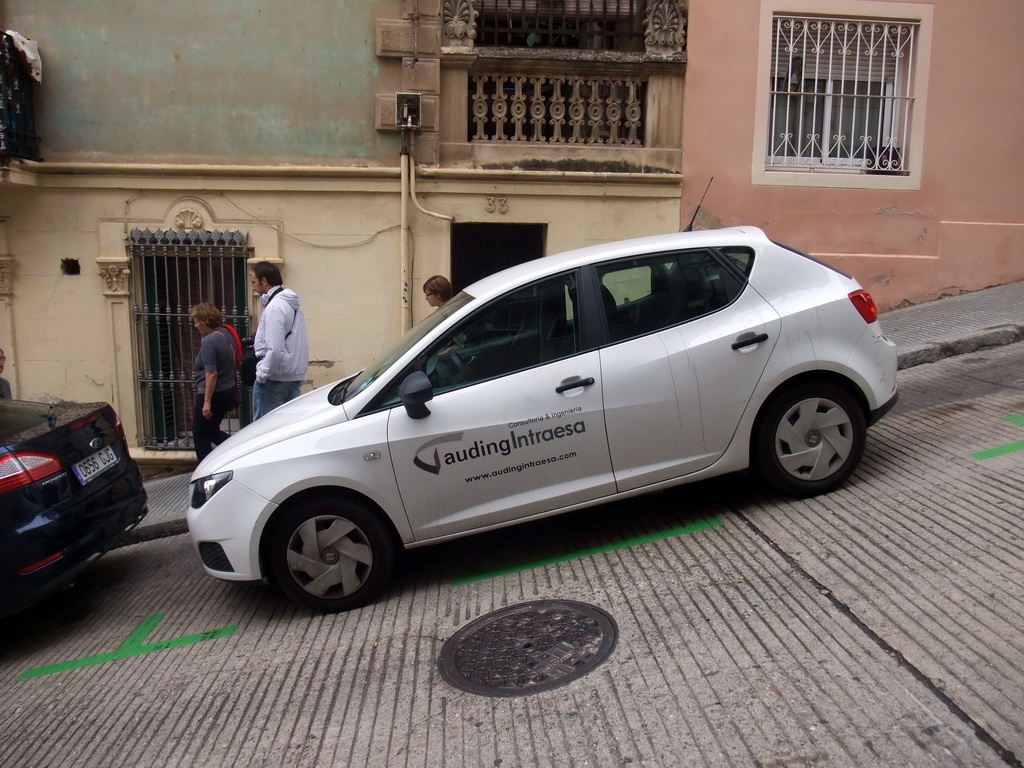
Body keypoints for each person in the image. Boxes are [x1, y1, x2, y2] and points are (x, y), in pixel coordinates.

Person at [250, 261, 309, 419]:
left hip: (274, 378)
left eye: (254, 282)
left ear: (264, 281)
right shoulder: (291, 304)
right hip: (291, 376)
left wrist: (262, 374)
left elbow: (275, 349)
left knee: (263, 431)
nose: (253, 287)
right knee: (288, 430)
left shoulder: (276, 306)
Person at [190, 303, 240, 462]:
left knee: (199, 432)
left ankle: (204, 470)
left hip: (213, 393)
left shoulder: (209, 341)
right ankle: (239, 450)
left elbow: (211, 373)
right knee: (212, 431)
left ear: (205, 321)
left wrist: (206, 402)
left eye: (197, 321)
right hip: (228, 389)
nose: (196, 325)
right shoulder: (226, 333)